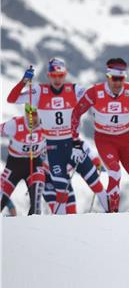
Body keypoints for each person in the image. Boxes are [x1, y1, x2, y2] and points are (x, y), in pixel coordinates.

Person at [6, 58, 108, 213]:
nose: (57, 79)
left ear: (65, 74)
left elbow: (94, 98)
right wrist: (24, 81)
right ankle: (59, 227)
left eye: (60, 75)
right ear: (49, 75)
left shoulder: (74, 89)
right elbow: (11, 99)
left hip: (73, 144)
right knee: (61, 193)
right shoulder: (39, 91)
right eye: (54, 75)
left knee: (95, 183)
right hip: (54, 149)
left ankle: (113, 213)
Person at [71, 58, 129, 212]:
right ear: (108, 77)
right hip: (105, 140)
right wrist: (75, 141)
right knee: (115, 171)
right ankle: (113, 214)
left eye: (121, 79)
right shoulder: (95, 92)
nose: (118, 83)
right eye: (114, 79)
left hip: (125, 140)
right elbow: (76, 113)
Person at [0, 104, 47, 215]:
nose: (32, 118)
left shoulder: (46, 124)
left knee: (36, 202)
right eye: (29, 115)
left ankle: (33, 226)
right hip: (14, 165)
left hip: (34, 163)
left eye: (35, 114)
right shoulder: (15, 124)